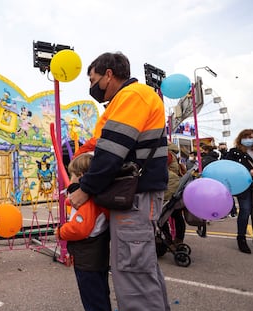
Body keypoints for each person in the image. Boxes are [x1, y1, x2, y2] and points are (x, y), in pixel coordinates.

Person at [69, 52, 170, 311]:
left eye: (94, 79)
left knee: (133, 273)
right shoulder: (133, 98)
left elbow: (113, 149)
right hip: (137, 197)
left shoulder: (131, 95)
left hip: (135, 198)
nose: (93, 86)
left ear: (109, 74)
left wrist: (85, 188)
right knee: (141, 269)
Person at [55, 153, 111, 311]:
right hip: (97, 257)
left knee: (93, 300)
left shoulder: (87, 202)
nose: (70, 179)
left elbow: (80, 228)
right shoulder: (95, 197)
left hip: (88, 260)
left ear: (81, 176)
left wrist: (61, 231)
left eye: (72, 175)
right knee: (101, 295)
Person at [226, 129, 253, 253]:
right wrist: (248, 171)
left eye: (252, 137)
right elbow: (228, 166)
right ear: (241, 138)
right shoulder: (235, 152)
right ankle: (241, 238)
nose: (249, 139)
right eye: (247, 137)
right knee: (245, 210)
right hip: (243, 186)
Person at [162, 141, 186, 248]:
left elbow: (159, 168)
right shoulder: (173, 154)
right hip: (175, 188)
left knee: (162, 218)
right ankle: (178, 240)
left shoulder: (166, 154)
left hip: (168, 189)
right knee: (177, 216)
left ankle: (168, 241)